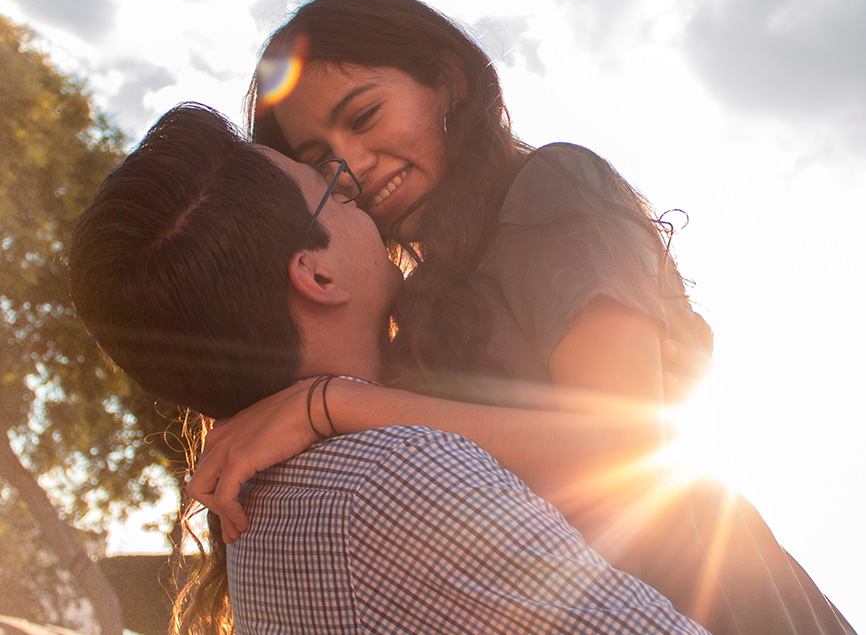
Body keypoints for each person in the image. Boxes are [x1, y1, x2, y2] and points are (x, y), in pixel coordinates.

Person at [188, 0, 856, 635]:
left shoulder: (553, 187)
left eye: (365, 117)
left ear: (447, 83)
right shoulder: (420, 292)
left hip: (715, 599)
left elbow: (623, 452)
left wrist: (332, 404)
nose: (354, 166)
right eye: (321, 161)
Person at [69, 103, 712, 635]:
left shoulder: (267, 504)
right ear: (317, 276)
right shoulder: (396, 477)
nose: (357, 195)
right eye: (332, 195)